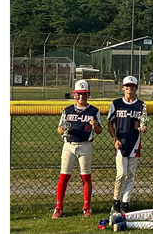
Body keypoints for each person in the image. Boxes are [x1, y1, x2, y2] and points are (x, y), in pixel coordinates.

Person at [52, 79, 103, 218]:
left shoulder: (94, 111)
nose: (81, 97)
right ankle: (58, 207)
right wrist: (62, 130)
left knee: (86, 176)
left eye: (84, 94)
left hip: (85, 145)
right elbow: (59, 128)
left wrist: (95, 125)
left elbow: (99, 131)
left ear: (88, 94)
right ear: (74, 94)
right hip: (68, 145)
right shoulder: (67, 110)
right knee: (64, 176)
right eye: (78, 94)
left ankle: (87, 207)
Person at [107, 75, 149, 214]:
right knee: (121, 174)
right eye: (127, 86)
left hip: (135, 142)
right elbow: (110, 122)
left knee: (131, 174)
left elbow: (144, 123)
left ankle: (126, 202)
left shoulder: (141, 105)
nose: (129, 88)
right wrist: (115, 139)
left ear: (136, 88)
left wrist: (144, 128)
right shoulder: (116, 103)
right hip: (121, 143)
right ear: (123, 87)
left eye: (132, 86)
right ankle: (115, 201)